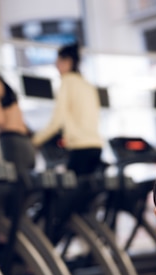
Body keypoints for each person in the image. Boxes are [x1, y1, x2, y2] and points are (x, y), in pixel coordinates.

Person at [31, 43, 104, 176]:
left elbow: (57, 119)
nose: (56, 66)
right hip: (96, 145)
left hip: (80, 147)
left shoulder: (67, 82)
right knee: (89, 191)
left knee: (73, 192)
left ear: (68, 62)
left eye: (58, 62)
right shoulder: (87, 85)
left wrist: (35, 140)